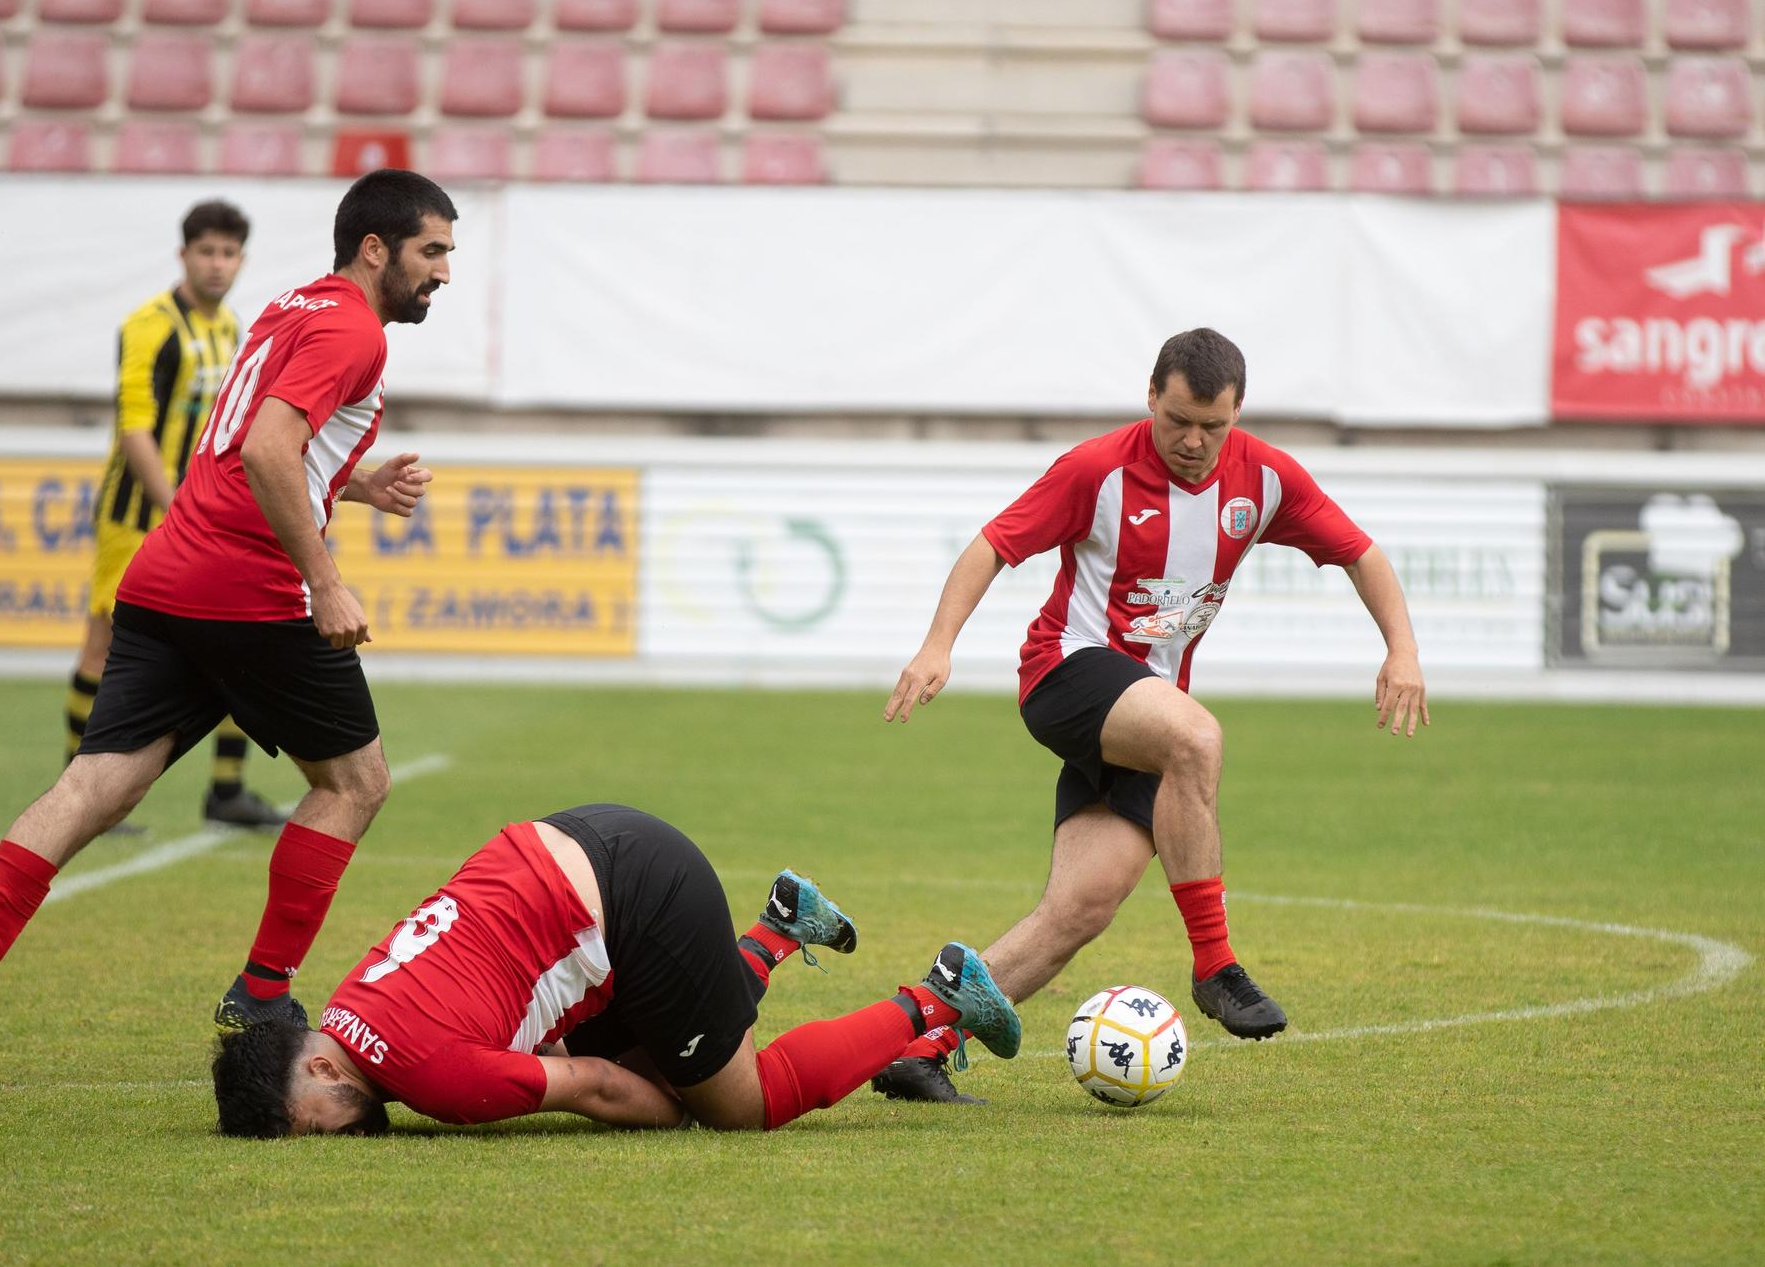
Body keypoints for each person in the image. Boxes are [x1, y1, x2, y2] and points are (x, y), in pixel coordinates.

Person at [0, 170, 458, 1085]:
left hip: (165, 575)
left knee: (97, 784)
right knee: (357, 782)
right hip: (250, 591)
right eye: (432, 252)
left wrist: (354, 483)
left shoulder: (293, 304)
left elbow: (255, 437)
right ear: (376, 249)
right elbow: (266, 448)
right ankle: (262, 992)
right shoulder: (356, 328)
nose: (442, 272)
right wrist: (324, 579)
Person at [873, 326, 1429, 1103]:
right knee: (1196, 736)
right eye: (1178, 421)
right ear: (1150, 397)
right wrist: (938, 645)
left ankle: (917, 1046)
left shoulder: (1264, 479)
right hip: (1066, 673)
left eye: (1214, 425)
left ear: (1237, 413)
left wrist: (1401, 649)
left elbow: (1360, 553)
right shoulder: (1096, 470)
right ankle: (1215, 966)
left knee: (1078, 909)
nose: (1195, 441)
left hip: (1143, 709)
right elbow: (992, 546)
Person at [210, 803, 1022, 1136]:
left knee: (739, 1103)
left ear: (316, 1061)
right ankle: (776, 930)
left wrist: (679, 1112)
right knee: (669, 1056)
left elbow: (594, 1083)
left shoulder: (431, 1079)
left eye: (309, 1119)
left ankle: (936, 994)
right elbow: (537, 1027)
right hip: (582, 844)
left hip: (639, 898)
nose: (331, 1135)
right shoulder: (354, 998)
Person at [68, 198, 287, 833]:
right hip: (139, 513)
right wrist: (175, 506)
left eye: (228, 253)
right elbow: (134, 427)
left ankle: (226, 791)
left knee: (234, 633)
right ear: (183, 255)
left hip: (199, 517)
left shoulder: (230, 329)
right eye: (206, 252)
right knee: (103, 644)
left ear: (241, 260)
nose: (217, 265)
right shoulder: (149, 326)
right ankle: (78, 790)